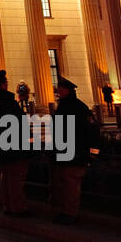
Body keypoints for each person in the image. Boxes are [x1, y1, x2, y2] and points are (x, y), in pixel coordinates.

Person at [0, 70, 30, 217]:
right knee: (16, 176)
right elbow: (19, 120)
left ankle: (8, 206)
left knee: (6, 175)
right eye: (6, 83)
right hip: (13, 143)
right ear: (3, 84)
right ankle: (18, 207)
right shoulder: (6, 100)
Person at [49, 77, 95, 224]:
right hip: (65, 151)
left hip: (75, 151)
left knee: (71, 183)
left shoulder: (77, 107)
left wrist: (92, 152)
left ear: (67, 90)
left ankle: (70, 213)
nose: (57, 91)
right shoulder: (65, 106)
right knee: (65, 183)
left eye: (60, 88)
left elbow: (90, 129)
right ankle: (65, 211)